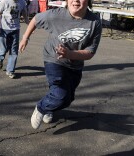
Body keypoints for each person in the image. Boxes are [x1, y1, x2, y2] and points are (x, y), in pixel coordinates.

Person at [19, 0, 102, 129]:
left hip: (74, 64)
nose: (76, 0)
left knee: (67, 99)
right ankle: (41, 107)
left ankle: (48, 108)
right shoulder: (56, 15)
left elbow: (90, 52)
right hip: (53, 59)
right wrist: (25, 38)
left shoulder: (95, 22)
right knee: (60, 95)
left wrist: (69, 54)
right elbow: (36, 19)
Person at [0, 0, 29, 78]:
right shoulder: (4, 2)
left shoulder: (22, 2)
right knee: (3, 48)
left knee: (14, 51)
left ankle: (10, 70)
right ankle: (0, 58)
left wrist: (29, 26)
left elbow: (25, 15)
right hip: (4, 29)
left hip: (15, 30)